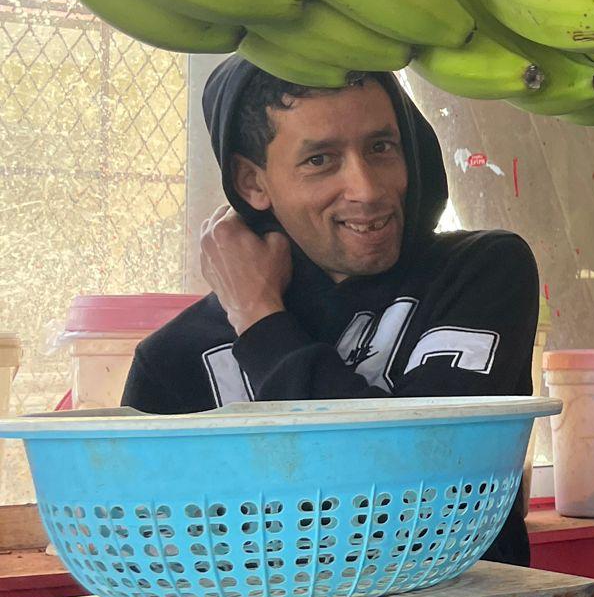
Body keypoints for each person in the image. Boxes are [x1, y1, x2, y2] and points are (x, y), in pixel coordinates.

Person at [124, 59, 540, 566]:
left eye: (381, 148)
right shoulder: (173, 359)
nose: (367, 188)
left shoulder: (480, 272)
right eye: (320, 160)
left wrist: (259, 319)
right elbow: (152, 558)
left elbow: (418, 498)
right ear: (252, 181)